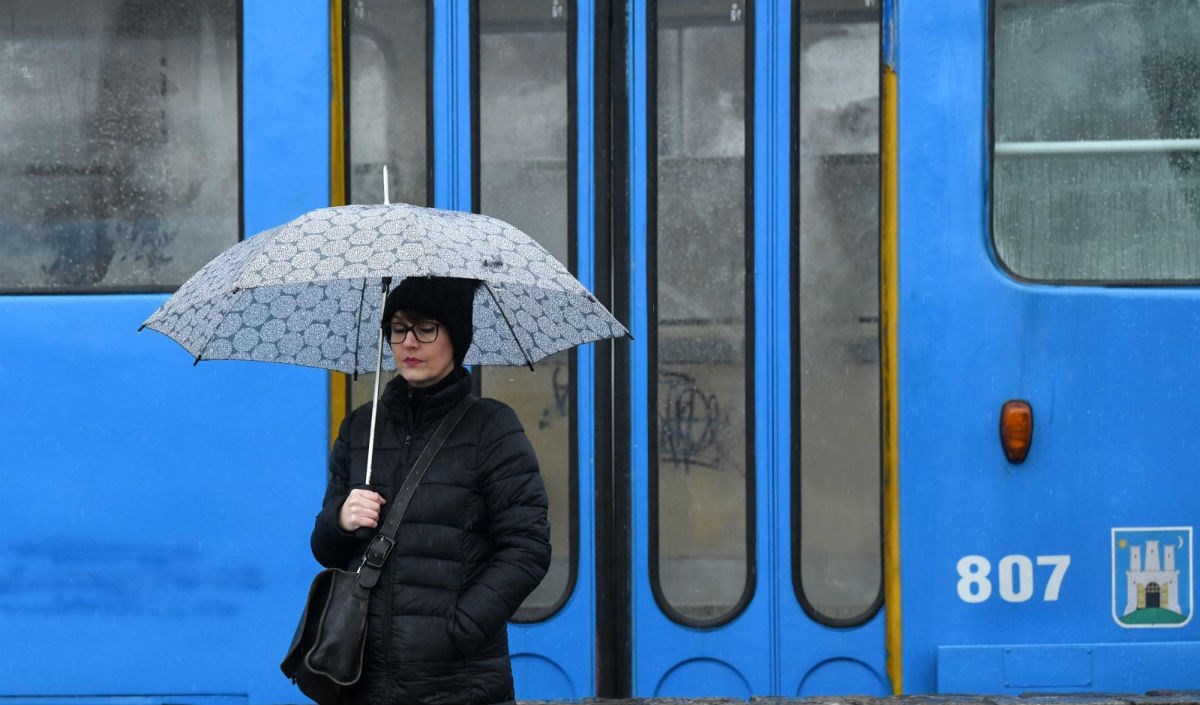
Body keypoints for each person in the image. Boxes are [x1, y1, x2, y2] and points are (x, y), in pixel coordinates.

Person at [310, 276, 551, 705]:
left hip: (459, 683)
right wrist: (341, 520)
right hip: (362, 679)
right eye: (398, 329)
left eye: (425, 328)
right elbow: (325, 549)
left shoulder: (493, 429)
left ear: (455, 336)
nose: (408, 343)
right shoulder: (361, 428)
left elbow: (527, 548)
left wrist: (459, 629)